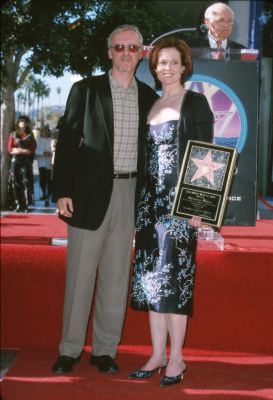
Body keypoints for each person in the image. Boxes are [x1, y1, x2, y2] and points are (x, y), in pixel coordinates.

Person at [51, 24, 157, 375]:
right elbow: (67, 141)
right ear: (109, 51)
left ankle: (104, 351)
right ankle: (69, 350)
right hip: (87, 194)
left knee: (115, 277)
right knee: (80, 276)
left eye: (132, 48)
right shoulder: (86, 90)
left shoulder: (149, 97)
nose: (126, 53)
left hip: (130, 192)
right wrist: (62, 190)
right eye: (119, 47)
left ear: (141, 54)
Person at [129, 37, 214, 387]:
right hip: (150, 206)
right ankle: (156, 354)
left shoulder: (196, 103)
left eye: (173, 62)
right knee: (152, 282)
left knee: (176, 281)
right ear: (155, 67)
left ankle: (177, 357)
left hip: (180, 209)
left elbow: (206, 157)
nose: (167, 67)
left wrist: (200, 208)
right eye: (161, 62)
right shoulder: (150, 103)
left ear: (184, 66)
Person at [8, 115, 36, 212]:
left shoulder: (30, 135)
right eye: (21, 121)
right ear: (18, 123)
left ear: (27, 124)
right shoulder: (13, 134)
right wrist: (23, 150)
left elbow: (31, 150)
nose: (23, 123)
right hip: (15, 162)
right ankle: (18, 204)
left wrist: (19, 150)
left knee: (26, 183)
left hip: (26, 162)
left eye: (25, 121)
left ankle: (26, 206)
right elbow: (10, 149)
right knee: (15, 182)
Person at [35, 126, 52, 206]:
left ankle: (48, 197)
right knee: (42, 179)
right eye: (43, 131)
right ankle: (44, 193)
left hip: (50, 163)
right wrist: (43, 153)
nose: (45, 132)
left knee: (49, 180)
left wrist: (51, 154)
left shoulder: (51, 139)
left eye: (46, 131)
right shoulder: (38, 140)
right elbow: (35, 150)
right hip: (41, 162)